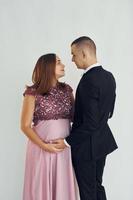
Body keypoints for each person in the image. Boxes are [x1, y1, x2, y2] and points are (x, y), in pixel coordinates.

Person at [54, 36, 118, 200]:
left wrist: (67, 141)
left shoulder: (89, 80)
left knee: (88, 192)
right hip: (102, 142)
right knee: (97, 186)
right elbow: (109, 112)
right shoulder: (109, 76)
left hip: (86, 147)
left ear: (84, 54)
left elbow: (90, 122)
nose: (72, 59)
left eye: (74, 55)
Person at [20, 54, 78, 200]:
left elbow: (77, 119)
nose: (63, 65)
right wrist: (45, 146)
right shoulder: (32, 92)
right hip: (41, 148)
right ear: (47, 67)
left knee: (63, 188)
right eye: (59, 62)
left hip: (64, 149)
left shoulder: (67, 90)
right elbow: (25, 126)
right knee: (40, 188)